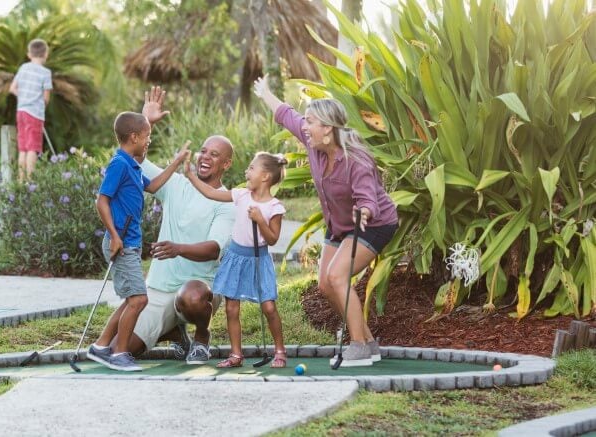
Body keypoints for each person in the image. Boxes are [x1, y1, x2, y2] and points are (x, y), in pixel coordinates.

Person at [254, 75, 399, 367]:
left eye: (310, 122)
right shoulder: (314, 145)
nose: (304, 127)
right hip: (340, 227)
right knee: (325, 284)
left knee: (337, 277)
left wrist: (365, 211)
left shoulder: (356, 159)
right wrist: (265, 92)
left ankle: (358, 346)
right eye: (305, 121)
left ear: (327, 129)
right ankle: (368, 342)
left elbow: (367, 196)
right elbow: (286, 115)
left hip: (373, 224)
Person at [109, 87, 236, 365]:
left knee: (191, 296)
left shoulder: (226, 203)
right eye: (203, 151)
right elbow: (133, 160)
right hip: (159, 287)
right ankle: (174, 333)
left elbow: (214, 249)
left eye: (214, 155)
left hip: (199, 289)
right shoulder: (175, 184)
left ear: (226, 163)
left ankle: (202, 337)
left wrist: (178, 248)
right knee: (124, 347)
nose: (205, 157)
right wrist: (147, 122)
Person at [87, 111, 189, 372]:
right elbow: (102, 200)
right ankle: (119, 352)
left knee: (132, 299)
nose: (149, 141)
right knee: (139, 300)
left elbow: (153, 186)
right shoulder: (119, 164)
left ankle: (100, 346)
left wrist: (176, 162)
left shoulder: (132, 165)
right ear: (133, 137)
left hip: (128, 242)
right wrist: (115, 235)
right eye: (147, 136)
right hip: (121, 242)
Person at [184, 151, 288, 368]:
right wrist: (191, 176)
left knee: (268, 307)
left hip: (258, 260)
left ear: (265, 176)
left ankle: (279, 351)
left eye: (251, 168)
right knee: (231, 309)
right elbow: (211, 193)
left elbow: (273, 239)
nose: (246, 171)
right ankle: (236, 355)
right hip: (236, 258)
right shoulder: (241, 195)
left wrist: (260, 220)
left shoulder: (274, 207)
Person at [9, 38, 53, 180]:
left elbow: (12, 88)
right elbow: (46, 98)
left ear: (29, 54)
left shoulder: (23, 68)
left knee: (23, 148)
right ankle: (30, 182)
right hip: (35, 114)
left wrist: (24, 98)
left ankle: (21, 181)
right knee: (33, 148)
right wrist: (40, 104)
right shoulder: (45, 73)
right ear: (45, 54)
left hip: (21, 111)